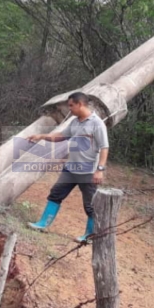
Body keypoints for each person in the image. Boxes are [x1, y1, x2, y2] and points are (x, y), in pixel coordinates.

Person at [26, 91, 109, 242]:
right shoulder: (75, 121)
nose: (69, 109)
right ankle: (43, 224)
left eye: (71, 105)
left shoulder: (97, 123)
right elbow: (61, 136)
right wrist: (41, 136)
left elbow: (104, 147)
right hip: (71, 168)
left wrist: (100, 170)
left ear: (80, 104)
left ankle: (89, 236)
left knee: (90, 205)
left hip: (88, 171)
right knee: (56, 193)